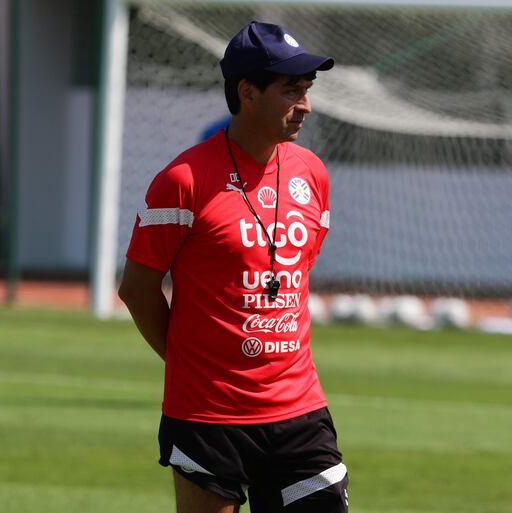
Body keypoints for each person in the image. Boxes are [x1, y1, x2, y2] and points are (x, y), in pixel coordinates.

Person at [119, 21, 346, 513]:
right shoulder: (182, 180)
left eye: (307, 90)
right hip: (208, 416)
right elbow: (136, 289)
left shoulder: (313, 174)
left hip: (299, 411)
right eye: (291, 90)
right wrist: (190, 364)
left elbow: (295, 274)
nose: (304, 104)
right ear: (247, 92)